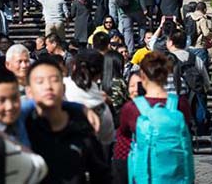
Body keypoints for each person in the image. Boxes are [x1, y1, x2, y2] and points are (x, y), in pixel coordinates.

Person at [25, 56, 111, 184]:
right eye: (40, 82)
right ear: (29, 92)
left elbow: (101, 174)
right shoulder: (24, 127)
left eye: (54, 80)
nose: (48, 86)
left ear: (64, 88)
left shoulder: (81, 127)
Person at [113, 51, 193, 184]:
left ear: (143, 76)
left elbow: (124, 133)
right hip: (177, 175)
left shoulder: (132, 108)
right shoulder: (180, 103)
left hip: (146, 176)